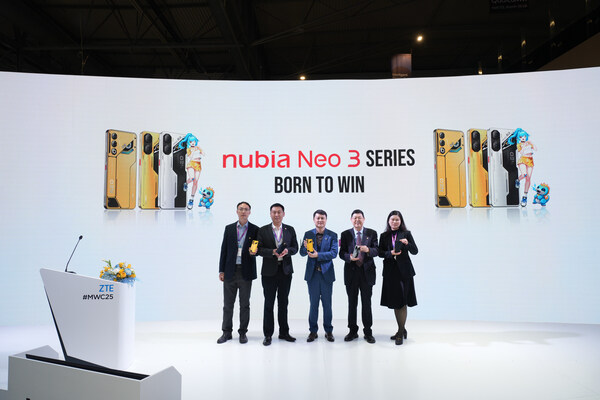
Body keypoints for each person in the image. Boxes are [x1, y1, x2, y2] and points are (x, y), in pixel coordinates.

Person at [257, 203, 298, 346]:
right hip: (269, 272)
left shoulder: (290, 229)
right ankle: (268, 335)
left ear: (283, 214)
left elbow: (295, 247)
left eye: (279, 212)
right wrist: (272, 252)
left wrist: (288, 251)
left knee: (283, 303)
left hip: (285, 271)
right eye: (274, 212)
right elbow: (258, 250)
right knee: (269, 303)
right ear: (270, 214)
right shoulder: (263, 230)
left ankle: (284, 332)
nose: (276, 215)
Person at [217, 201, 259, 344]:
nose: (243, 211)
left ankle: (243, 333)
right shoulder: (229, 228)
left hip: (246, 271)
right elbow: (224, 250)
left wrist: (255, 252)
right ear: (237, 211)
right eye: (241, 209)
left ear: (249, 212)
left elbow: (258, 248)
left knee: (245, 304)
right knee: (228, 304)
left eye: (246, 209)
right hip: (230, 270)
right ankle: (226, 332)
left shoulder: (255, 229)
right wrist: (221, 270)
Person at [378, 210, 418, 345]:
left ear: (401, 222)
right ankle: (402, 329)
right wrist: (390, 253)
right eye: (392, 219)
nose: (394, 222)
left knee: (402, 301)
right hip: (391, 272)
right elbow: (380, 253)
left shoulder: (406, 234)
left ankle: (400, 332)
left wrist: (407, 243)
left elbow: (415, 251)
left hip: (404, 272)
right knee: (396, 302)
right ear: (388, 221)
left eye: (397, 220)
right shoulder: (384, 235)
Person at [339, 209, 378, 343]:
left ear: (364, 219)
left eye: (359, 218)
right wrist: (348, 257)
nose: (357, 220)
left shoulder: (371, 233)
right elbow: (341, 253)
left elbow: (377, 250)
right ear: (351, 220)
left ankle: (368, 332)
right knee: (352, 303)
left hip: (367, 273)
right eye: (354, 218)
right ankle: (352, 331)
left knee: (367, 303)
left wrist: (368, 250)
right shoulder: (345, 234)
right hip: (351, 273)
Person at [300, 209, 338, 343]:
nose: (320, 220)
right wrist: (305, 248)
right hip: (313, 275)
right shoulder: (308, 234)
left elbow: (334, 253)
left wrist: (318, 255)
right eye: (318, 218)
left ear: (326, 220)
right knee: (313, 304)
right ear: (314, 220)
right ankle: (313, 331)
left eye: (322, 218)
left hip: (326, 275)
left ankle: (329, 331)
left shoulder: (332, 235)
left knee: (327, 304)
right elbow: (302, 253)